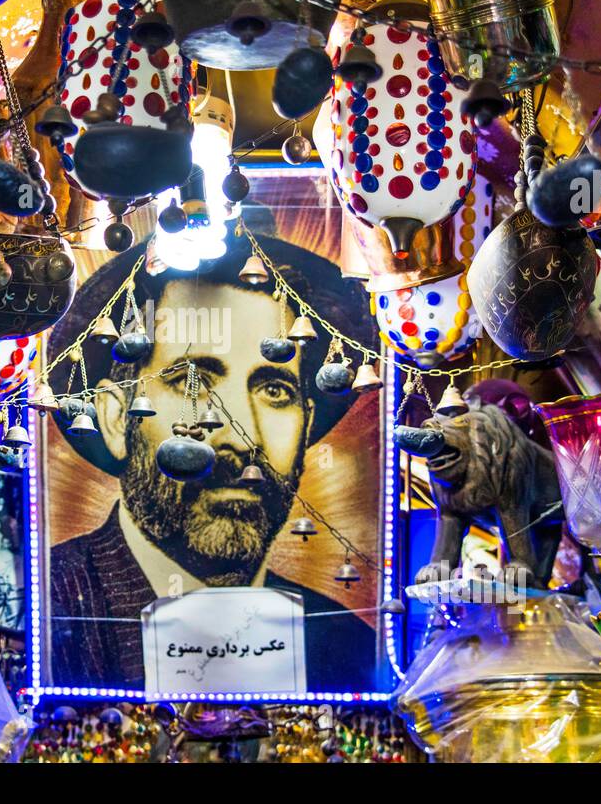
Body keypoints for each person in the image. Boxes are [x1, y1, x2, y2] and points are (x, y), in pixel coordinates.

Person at [46, 232, 379, 692]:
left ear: (305, 426)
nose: (242, 438)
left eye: (275, 391)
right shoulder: (50, 609)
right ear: (115, 417)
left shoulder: (345, 647)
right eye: (192, 383)